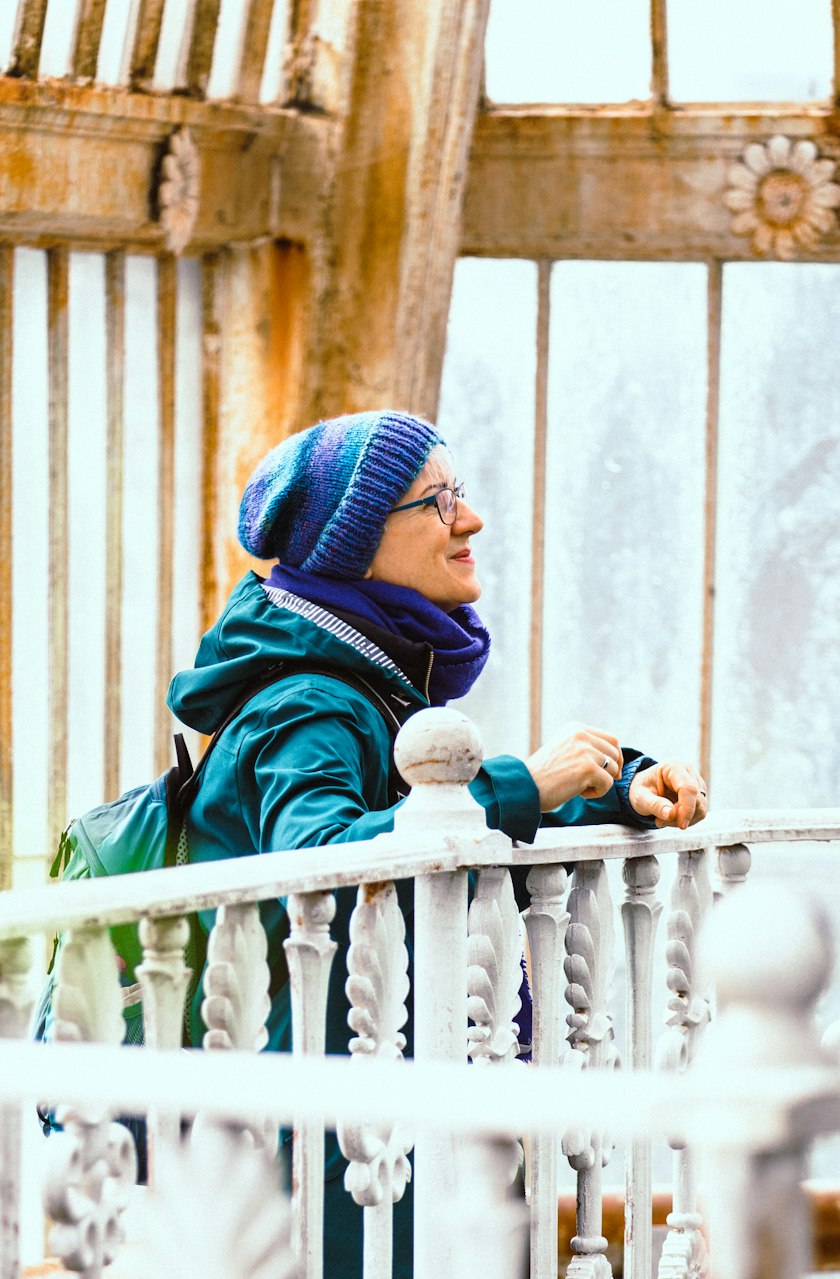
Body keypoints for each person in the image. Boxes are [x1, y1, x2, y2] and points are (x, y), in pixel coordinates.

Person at [166, 409, 707, 1276]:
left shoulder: (363, 679)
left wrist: (615, 790)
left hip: (357, 1096)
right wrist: (525, 782)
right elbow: (329, 858)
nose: (470, 519)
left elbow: (427, 806)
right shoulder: (307, 699)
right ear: (355, 547)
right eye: (436, 500)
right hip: (315, 1125)